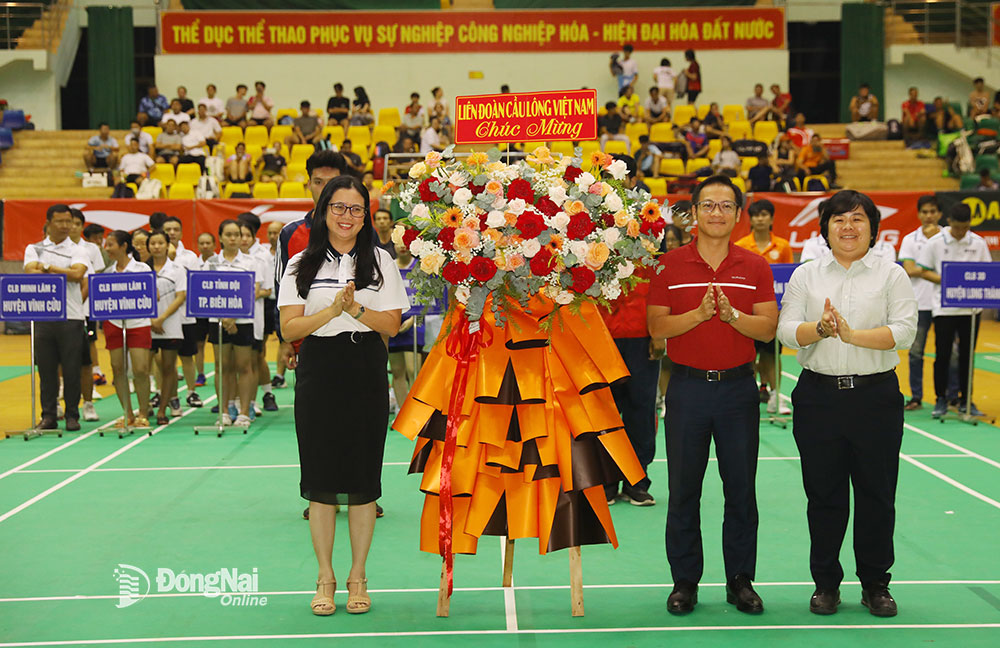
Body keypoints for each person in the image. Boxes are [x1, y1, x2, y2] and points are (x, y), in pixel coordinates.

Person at [777, 189, 917, 618]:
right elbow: (785, 330)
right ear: (825, 229)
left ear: (873, 228)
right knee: (824, 496)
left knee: (877, 494)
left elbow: (904, 332)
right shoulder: (807, 275)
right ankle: (826, 584)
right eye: (839, 219)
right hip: (819, 397)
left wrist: (853, 335)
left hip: (875, 398)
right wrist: (818, 329)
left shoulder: (891, 275)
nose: (848, 227)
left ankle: (876, 583)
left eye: (858, 219)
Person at [277, 174, 408, 616]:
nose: (347, 216)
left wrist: (355, 310)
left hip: (365, 369)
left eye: (356, 209)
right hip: (318, 369)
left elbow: (391, 324)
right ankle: (325, 578)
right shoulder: (299, 265)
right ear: (323, 211)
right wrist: (332, 311)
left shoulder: (382, 262)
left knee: (362, 482)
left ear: (366, 214)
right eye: (338, 207)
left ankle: (358, 576)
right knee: (320, 483)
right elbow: (289, 328)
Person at [647, 175, 778, 615]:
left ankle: (740, 579)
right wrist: (699, 314)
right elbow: (658, 328)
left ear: (739, 215)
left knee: (740, 490)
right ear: (694, 214)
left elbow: (768, 328)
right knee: (684, 490)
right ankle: (684, 580)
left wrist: (732, 315)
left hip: (738, 391)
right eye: (708, 205)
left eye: (726, 206)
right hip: (686, 389)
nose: (717, 213)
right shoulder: (668, 265)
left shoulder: (755, 266)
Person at [602, 155, 660, 507]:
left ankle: (637, 480)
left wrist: (658, 332)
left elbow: (657, 280)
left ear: (633, 178)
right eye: (606, 176)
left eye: (618, 175)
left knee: (640, 408)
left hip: (640, 334)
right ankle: (606, 479)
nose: (613, 180)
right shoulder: (585, 219)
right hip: (602, 335)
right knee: (605, 410)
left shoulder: (648, 220)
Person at [273, 150, 347, 404]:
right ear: (309, 185)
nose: (325, 190)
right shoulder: (290, 234)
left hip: (354, 341)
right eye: (318, 182)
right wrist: (285, 340)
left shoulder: (362, 232)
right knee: (314, 423)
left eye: (332, 183)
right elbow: (280, 290)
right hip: (307, 343)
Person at [917, 203, 992, 418]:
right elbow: (923, 271)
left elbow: (986, 272)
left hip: (971, 310)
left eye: (965, 228)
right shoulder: (935, 243)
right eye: (957, 228)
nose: (960, 233)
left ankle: (965, 400)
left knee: (967, 356)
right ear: (949, 222)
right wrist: (949, 280)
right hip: (944, 309)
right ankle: (941, 399)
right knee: (943, 355)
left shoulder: (978, 243)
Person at [23, 205, 90, 431]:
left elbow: (77, 275)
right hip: (43, 315)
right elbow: (30, 273)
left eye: (68, 222)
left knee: (72, 369)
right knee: (46, 370)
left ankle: (73, 415)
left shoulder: (78, 249)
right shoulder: (34, 248)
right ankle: (49, 416)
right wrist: (62, 270)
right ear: (49, 223)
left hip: (72, 316)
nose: (65, 226)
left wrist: (48, 266)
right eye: (60, 222)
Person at [735, 199, 793, 414]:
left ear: (771, 218)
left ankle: (776, 398)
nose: (760, 219)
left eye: (764, 214)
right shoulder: (740, 246)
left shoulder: (783, 246)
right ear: (750, 219)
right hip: (747, 314)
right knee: (748, 355)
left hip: (774, 313)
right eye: (756, 215)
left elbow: (788, 280)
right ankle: (747, 395)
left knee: (772, 356)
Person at [205, 220, 262, 427]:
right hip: (217, 320)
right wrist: (224, 318)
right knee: (223, 367)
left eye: (236, 234)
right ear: (220, 237)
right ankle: (224, 412)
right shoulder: (211, 262)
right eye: (228, 234)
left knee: (244, 366)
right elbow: (206, 292)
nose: (233, 238)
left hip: (243, 321)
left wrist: (233, 318)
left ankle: (244, 412)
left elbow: (252, 291)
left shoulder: (251, 262)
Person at [102, 230, 153, 429]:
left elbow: (153, 294)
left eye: (111, 245)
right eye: (106, 245)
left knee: (141, 369)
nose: (107, 249)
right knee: (117, 368)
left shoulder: (142, 269)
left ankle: (143, 411)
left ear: (124, 246)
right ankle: (127, 413)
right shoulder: (107, 273)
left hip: (138, 323)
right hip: (114, 323)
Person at [898, 195, 946, 411]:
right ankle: (916, 396)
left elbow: (951, 270)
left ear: (940, 214)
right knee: (916, 352)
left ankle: (950, 396)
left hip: (945, 305)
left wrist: (923, 270)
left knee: (949, 353)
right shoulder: (910, 239)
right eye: (925, 212)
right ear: (918, 214)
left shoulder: (948, 237)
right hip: (919, 304)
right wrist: (939, 272)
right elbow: (908, 270)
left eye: (933, 211)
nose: (929, 216)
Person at [162, 216, 205, 409]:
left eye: (175, 229)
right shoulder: (153, 259)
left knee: (188, 356)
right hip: (163, 318)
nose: (172, 233)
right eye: (168, 229)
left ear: (180, 232)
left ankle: (191, 392)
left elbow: (195, 285)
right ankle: (168, 395)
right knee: (164, 360)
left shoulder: (190, 257)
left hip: (185, 316)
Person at [147, 230, 186, 425]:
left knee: (169, 368)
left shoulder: (177, 269)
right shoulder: (141, 269)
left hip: (170, 325)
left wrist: (161, 318)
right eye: (152, 243)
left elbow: (181, 296)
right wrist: (152, 319)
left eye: (160, 243)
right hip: (146, 325)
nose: (156, 246)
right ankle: (144, 409)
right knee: (143, 368)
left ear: (167, 245)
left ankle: (163, 409)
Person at [69, 209, 104, 422]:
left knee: (86, 356)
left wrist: (75, 302)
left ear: (81, 226)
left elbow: (94, 278)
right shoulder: (52, 250)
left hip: (85, 309)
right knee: (59, 360)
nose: (71, 227)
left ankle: (88, 402)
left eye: (74, 223)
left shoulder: (90, 249)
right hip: (60, 315)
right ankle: (60, 395)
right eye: (67, 222)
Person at [238, 219, 275, 418]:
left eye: (246, 235)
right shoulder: (223, 259)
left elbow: (267, 289)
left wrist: (244, 296)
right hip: (232, 319)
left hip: (257, 315)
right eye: (239, 234)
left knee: (255, 359)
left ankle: (254, 400)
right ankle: (234, 402)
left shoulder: (261, 258)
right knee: (234, 363)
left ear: (253, 237)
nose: (242, 239)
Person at [388, 240, 421, 412]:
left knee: (412, 370)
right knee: (397, 370)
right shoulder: (389, 267)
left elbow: (429, 301)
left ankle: (416, 413)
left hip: (414, 325)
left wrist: (414, 319)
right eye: (398, 243)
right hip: (393, 324)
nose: (402, 246)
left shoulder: (421, 267)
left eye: (405, 242)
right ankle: (402, 412)